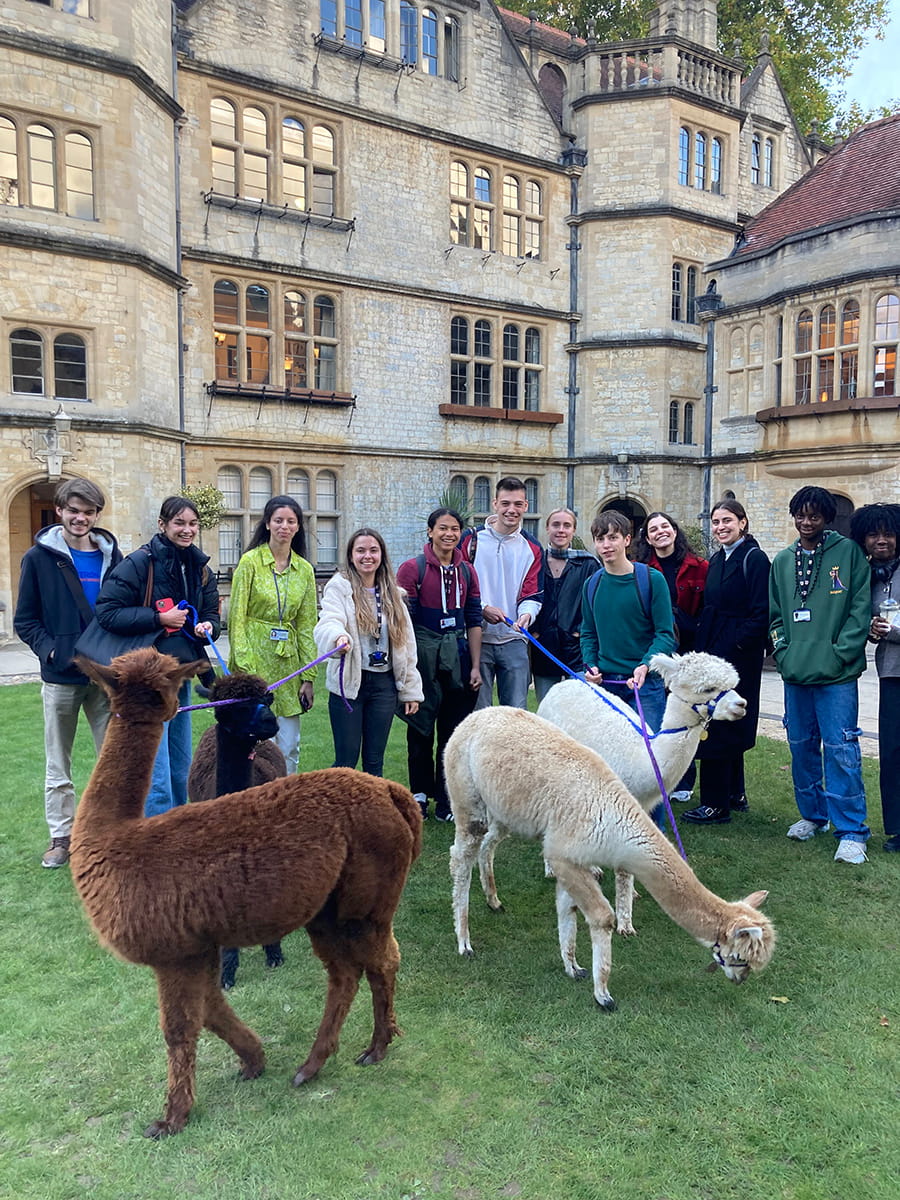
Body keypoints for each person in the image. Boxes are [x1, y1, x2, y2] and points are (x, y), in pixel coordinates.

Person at [14, 478, 122, 868]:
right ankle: (62, 836)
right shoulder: (38, 558)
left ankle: (108, 833)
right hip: (61, 678)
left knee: (111, 762)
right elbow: (25, 621)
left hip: (104, 677)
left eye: (88, 511)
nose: (80, 518)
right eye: (73, 510)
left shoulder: (113, 557)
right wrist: (53, 651)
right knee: (58, 764)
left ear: (97, 514)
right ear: (59, 511)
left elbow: (119, 613)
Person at [94, 495, 220, 817]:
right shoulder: (139, 563)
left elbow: (210, 616)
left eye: (192, 524)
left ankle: (177, 826)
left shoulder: (201, 569)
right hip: (148, 682)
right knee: (158, 769)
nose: (187, 530)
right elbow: (107, 612)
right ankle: (154, 834)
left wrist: (208, 626)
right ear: (163, 525)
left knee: (182, 766)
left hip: (181, 677)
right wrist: (158, 618)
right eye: (179, 523)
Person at [769, 486, 871, 864]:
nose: (806, 522)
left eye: (814, 516)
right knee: (801, 745)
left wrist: (840, 653)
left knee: (842, 748)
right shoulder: (781, 561)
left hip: (837, 675)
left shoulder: (848, 554)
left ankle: (852, 831)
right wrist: (783, 652)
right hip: (796, 673)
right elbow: (776, 615)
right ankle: (814, 816)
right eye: (801, 515)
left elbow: (860, 609)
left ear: (826, 518)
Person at [682, 500, 770, 824]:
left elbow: (762, 612)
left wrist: (735, 644)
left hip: (738, 656)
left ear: (743, 523)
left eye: (727, 521)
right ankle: (734, 793)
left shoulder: (755, 559)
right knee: (723, 720)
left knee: (725, 721)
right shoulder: (718, 559)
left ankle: (715, 804)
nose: (720, 527)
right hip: (716, 649)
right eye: (716, 521)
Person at [397, 507, 483, 821]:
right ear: (430, 531)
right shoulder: (412, 569)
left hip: (457, 658)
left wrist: (475, 666)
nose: (449, 534)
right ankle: (418, 796)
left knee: (452, 732)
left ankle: (447, 800)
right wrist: (407, 672)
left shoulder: (467, 572)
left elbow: (474, 619)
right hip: (423, 658)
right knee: (420, 728)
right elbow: (403, 625)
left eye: (455, 529)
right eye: (443, 528)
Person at [314, 527, 423, 777]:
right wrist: (337, 636)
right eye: (360, 550)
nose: (367, 556)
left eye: (373, 550)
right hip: (350, 684)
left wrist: (410, 691)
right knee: (346, 760)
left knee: (374, 760)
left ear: (382, 555)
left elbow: (407, 646)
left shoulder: (394, 594)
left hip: (384, 687)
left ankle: (371, 814)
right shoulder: (339, 588)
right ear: (351, 556)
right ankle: (338, 813)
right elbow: (329, 620)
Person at [227, 495, 318, 773]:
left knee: (288, 743)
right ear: (267, 524)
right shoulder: (250, 562)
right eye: (278, 520)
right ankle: (254, 798)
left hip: (287, 664)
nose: (284, 526)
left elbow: (306, 625)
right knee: (254, 742)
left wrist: (308, 676)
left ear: (298, 527)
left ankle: (286, 797)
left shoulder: (304, 570)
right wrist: (247, 672)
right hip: (254, 659)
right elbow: (236, 618)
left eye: (291, 521)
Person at [581, 508, 677, 736]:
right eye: (600, 539)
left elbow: (665, 634)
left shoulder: (652, 580)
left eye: (613, 537)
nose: (606, 545)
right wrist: (589, 664)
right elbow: (588, 633)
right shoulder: (591, 585)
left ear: (626, 540)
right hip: (606, 684)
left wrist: (645, 665)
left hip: (645, 685)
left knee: (649, 753)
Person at [634, 510, 708, 802]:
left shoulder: (700, 567)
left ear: (674, 531)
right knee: (659, 715)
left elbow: (706, 609)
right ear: (647, 538)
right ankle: (656, 775)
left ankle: (685, 780)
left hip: (689, 649)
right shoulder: (641, 569)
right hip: (656, 648)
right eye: (654, 529)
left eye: (665, 526)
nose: (660, 532)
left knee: (686, 716)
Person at [460, 477, 542, 710]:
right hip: (477, 639)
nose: (511, 510)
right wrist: (483, 608)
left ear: (526, 506)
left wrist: (526, 616)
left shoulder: (532, 547)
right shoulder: (470, 540)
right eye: (505, 503)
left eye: (518, 504)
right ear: (495, 503)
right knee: (479, 714)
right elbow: (461, 586)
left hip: (514, 640)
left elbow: (532, 592)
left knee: (516, 713)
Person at [849, 502, 900, 853]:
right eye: (873, 534)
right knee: (892, 751)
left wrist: (893, 630)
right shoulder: (865, 575)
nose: (881, 540)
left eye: (888, 533)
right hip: (891, 671)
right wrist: (869, 628)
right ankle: (897, 827)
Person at [529, 508, 597, 704]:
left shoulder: (588, 564)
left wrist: (580, 631)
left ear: (573, 530)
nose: (561, 530)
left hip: (577, 650)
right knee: (547, 708)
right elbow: (524, 594)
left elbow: (594, 604)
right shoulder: (535, 562)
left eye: (567, 525)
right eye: (556, 525)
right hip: (544, 647)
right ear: (547, 528)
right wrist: (535, 632)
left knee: (578, 710)